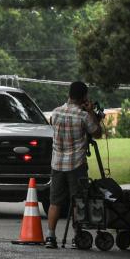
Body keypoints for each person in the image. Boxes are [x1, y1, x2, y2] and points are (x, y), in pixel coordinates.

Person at [45, 81, 102, 249]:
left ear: (69, 94)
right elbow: (97, 133)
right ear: (84, 97)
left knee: (55, 201)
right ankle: (78, 236)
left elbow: (52, 124)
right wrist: (91, 111)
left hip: (57, 164)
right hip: (76, 165)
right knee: (78, 201)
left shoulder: (55, 113)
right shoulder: (83, 116)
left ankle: (50, 236)